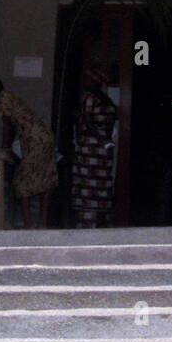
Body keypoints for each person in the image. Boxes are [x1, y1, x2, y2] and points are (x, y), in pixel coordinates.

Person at [0, 80, 58, 229]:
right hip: (44, 137)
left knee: (21, 181)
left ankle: (28, 224)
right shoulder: (10, 97)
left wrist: (5, 147)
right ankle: (41, 223)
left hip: (35, 140)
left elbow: (8, 125)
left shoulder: (3, 97)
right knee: (45, 177)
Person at [73, 67, 117, 228]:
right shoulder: (107, 101)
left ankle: (87, 225)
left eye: (87, 78)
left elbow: (87, 121)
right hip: (103, 150)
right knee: (100, 186)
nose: (84, 81)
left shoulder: (90, 98)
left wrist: (99, 139)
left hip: (91, 149)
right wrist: (106, 141)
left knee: (88, 186)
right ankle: (99, 223)